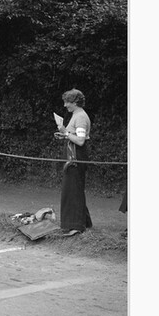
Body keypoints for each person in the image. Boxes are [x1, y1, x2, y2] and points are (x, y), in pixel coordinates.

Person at [55, 88, 93, 236]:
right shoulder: (76, 115)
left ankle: (76, 226)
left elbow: (81, 141)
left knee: (73, 189)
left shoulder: (81, 117)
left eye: (67, 102)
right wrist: (65, 135)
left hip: (77, 156)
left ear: (75, 102)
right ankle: (84, 222)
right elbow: (74, 136)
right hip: (73, 154)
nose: (65, 105)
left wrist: (65, 133)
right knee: (73, 188)